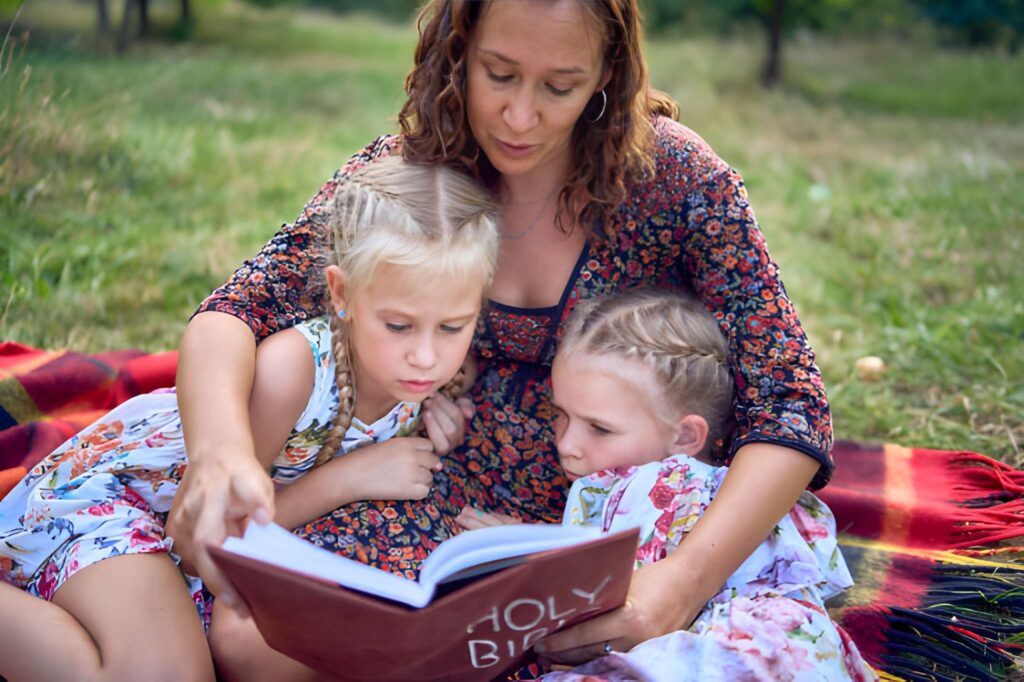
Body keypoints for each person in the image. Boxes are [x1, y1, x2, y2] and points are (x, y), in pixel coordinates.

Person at [168, 0, 835, 664]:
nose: (520, 117)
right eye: (499, 74)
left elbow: (789, 403)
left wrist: (680, 586)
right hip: (427, 499)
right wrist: (221, 454)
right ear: (459, 52)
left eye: (559, 86)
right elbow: (238, 308)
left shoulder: (676, 182)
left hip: (604, 531)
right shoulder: (423, 174)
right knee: (252, 635)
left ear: (608, 73)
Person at [0, 156, 500, 682]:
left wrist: (448, 416)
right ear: (342, 293)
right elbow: (206, 534)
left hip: (196, 564)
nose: (425, 355)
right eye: (399, 325)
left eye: (451, 326)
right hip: (132, 507)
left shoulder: (430, 376)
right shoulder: (293, 371)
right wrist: (349, 479)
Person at [457, 288, 875, 680]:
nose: (567, 445)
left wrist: (523, 553)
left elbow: (608, 591)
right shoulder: (724, 491)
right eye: (559, 414)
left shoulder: (653, 485)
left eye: (599, 429)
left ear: (685, 437)